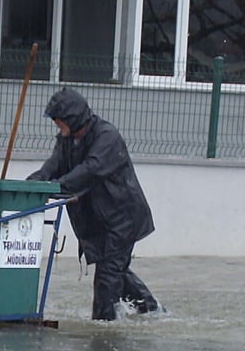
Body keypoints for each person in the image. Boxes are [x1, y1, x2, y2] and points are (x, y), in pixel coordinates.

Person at [27, 87, 161, 320]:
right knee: (115, 270)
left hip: (122, 220)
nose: (57, 127)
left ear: (73, 119)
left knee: (107, 276)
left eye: (60, 122)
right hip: (99, 221)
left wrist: (55, 187)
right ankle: (151, 311)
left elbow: (91, 170)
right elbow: (53, 165)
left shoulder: (107, 137)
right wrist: (33, 184)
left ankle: (103, 329)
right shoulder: (67, 140)